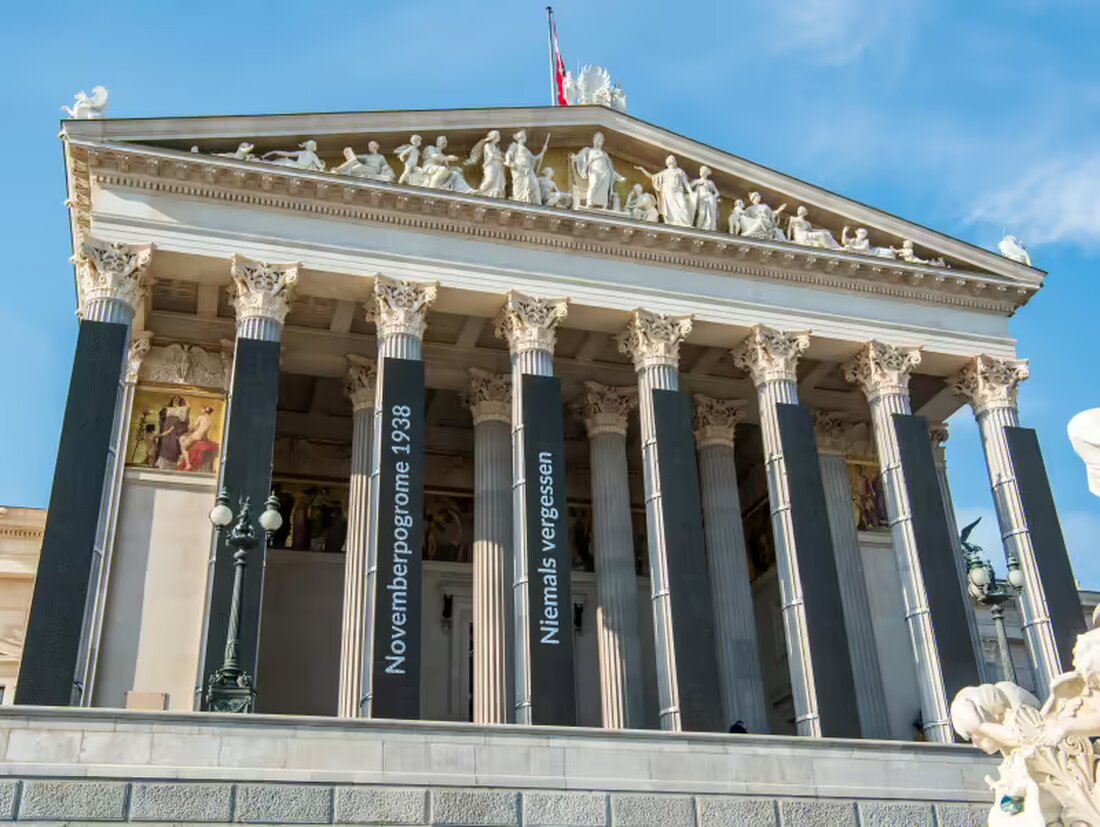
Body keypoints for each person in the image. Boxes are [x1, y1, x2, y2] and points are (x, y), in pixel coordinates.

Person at [634, 156, 694, 227]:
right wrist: (642, 169)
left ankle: (685, 223)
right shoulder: (664, 173)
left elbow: (686, 184)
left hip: (678, 192)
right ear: (667, 163)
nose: (671, 160)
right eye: (669, 159)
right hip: (669, 193)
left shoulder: (680, 171)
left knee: (683, 206)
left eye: (673, 159)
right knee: (671, 210)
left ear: (675, 162)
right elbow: (652, 176)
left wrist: (691, 192)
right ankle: (672, 222)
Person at [570, 132, 624, 209]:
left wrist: (619, 176)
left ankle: (603, 205)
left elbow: (611, 169)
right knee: (593, 184)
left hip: (605, 172)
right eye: (597, 138)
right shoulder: (589, 151)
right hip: (594, 170)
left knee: (605, 188)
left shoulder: (604, 154)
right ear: (594, 140)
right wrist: (575, 158)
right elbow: (580, 157)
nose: (599, 140)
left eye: (601, 139)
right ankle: (589, 202)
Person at [465, 130, 505, 198]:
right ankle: (479, 191)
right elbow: (491, 155)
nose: (499, 137)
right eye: (498, 135)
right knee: (489, 180)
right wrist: (502, 158)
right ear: (493, 137)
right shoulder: (487, 145)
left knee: (498, 183)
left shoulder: (497, 147)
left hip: (498, 167)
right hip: (490, 166)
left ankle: (493, 195)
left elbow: (501, 154)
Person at [155, 395, 190, 471]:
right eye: (174, 399)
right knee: (165, 447)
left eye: (177, 399)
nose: (175, 401)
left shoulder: (183, 409)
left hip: (176, 431)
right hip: (167, 431)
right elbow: (161, 419)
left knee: (175, 447)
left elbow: (185, 421)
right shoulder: (167, 409)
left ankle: (173, 464)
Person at [179, 405, 218, 472]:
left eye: (203, 409)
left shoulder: (201, 417)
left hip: (196, 436)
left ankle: (188, 464)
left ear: (205, 411)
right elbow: (205, 432)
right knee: (187, 440)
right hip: (202, 437)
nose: (201, 410)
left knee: (183, 446)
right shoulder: (210, 421)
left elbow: (194, 427)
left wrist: (187, 432)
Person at [690, 166, 720, 231]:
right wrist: (696, 183)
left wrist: (713, 197)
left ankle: (709, 228)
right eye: (701, 170)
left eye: (704, 171)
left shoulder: (710, 182)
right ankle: (699, 228)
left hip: (709, 199)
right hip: (701, 199)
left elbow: (717, 193)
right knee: (702, 213)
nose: (702, 172)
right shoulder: (697, 181)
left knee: (710, 215)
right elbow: (689, 187)